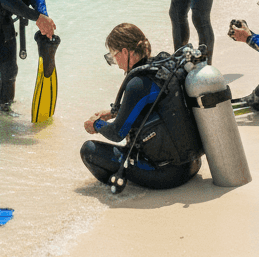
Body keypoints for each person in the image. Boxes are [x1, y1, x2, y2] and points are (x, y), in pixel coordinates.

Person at [80, 23, 202, 190]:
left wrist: (96, 124)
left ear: (125, 52)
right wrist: (114, 112)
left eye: (114, 56)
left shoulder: (137, 83)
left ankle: (113, 191)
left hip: (167, 175)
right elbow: (157, 106)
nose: (116, 63)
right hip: (192, 164)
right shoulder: (161, 70)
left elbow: (117, 133)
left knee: (89, 150)